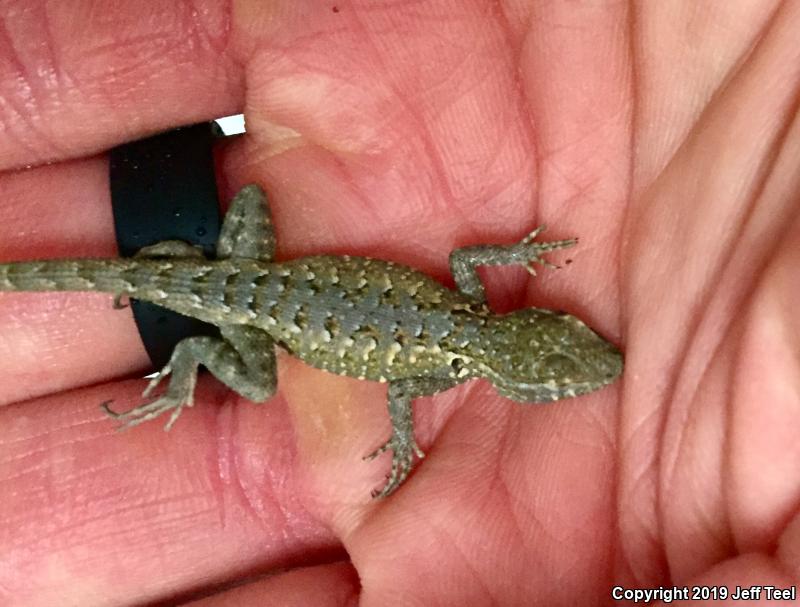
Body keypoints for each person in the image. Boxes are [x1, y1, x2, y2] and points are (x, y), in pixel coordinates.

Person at [1, 2, 797, 604]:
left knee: (240, 219)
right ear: (521, 365)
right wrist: (408, 452)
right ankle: (188, 355)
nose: (579, 366)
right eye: (561, 372)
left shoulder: (466, 305)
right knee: (257, 376)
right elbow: (402, 391)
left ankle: (172, 271)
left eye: (564, 367)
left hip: (255, 278)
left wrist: (513, 254)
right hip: (250, 309)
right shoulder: (432, 369)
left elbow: (460, 262)